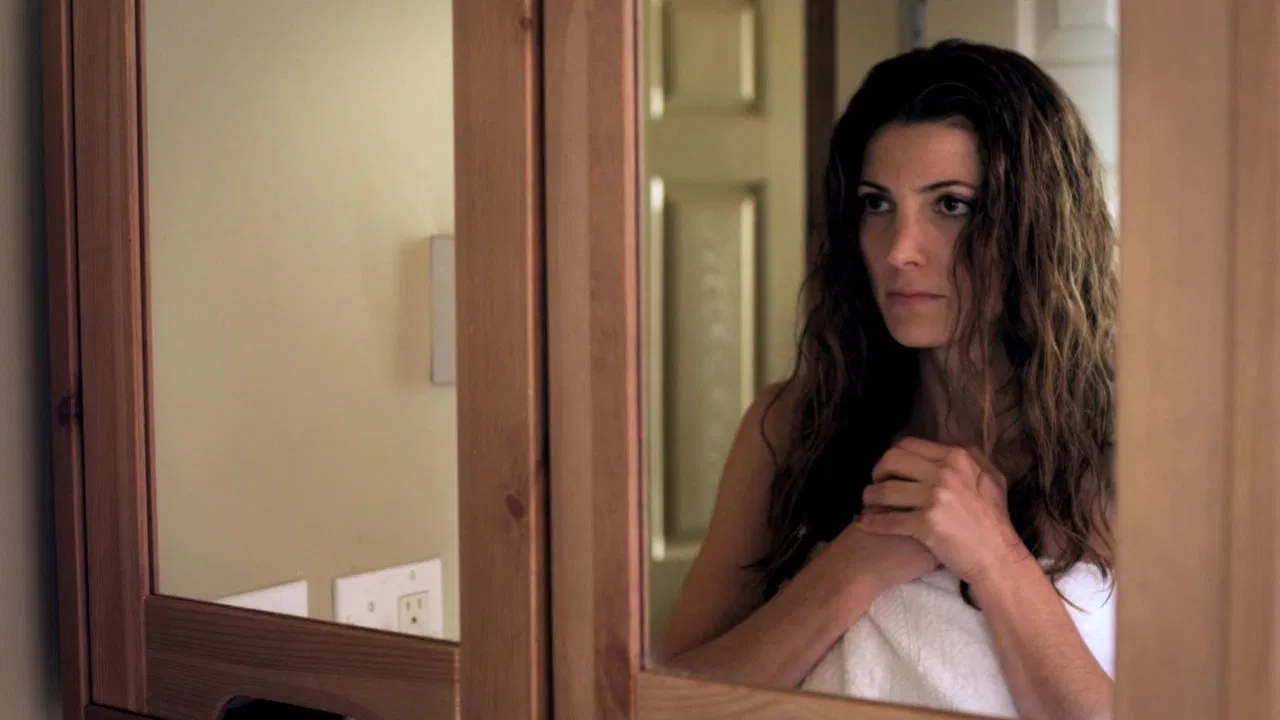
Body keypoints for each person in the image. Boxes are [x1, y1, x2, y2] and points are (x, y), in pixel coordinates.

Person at [656, 39, 1117, 720]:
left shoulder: (1122, 454)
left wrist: (994, 556)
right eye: (877, 204)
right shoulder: (793, 425)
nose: (900, 249)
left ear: (1039, 224)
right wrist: (854, 567)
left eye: (951, 205)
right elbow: (670, 702)